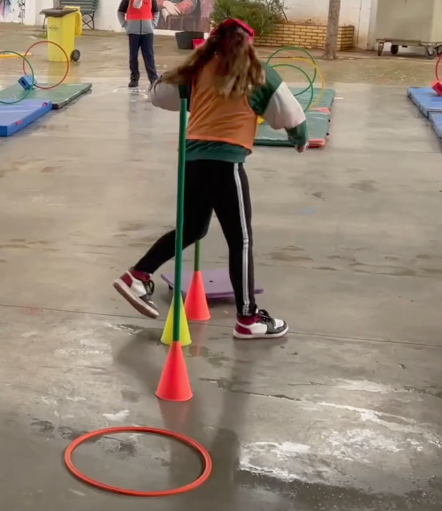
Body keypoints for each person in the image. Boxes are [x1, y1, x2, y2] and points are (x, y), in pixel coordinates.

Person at [112, 19, 308, 340]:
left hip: (192, 161)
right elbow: (292, 116)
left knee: (191, 228)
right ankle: (248, 318)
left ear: (213, 44)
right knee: (240, 240)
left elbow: (159, 96)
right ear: (248, 45)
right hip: (225, 164)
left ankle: (138, 275)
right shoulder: (258, 75)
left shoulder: (199, 72)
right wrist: (298, 138)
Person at [117, 0, 159, 89]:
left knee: (149, 55)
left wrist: (153, 24)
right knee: (133, 56)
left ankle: (153, 79)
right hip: (133, 33)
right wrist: (125, 25)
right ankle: (134, 78)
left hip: (147, 33)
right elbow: (120, 12)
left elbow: (156, 12)